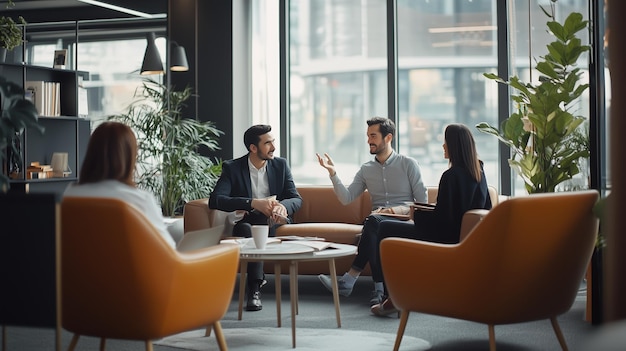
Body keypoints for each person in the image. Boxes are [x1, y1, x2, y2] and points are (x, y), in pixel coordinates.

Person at [370, 123, 493, 316]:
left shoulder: (450, 176)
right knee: (393, 228)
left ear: (453, 145)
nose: (443, 146)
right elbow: (480, 209)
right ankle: (395, 296)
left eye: (445, 142)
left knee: (384, 227)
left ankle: (391, 297)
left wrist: (416, 214)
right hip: (464, 238)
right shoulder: (478, 173)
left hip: (445, 237)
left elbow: (443, 221)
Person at [316, 117, 428, 306]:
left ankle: (351, 280)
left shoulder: (408, 164)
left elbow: (422, 203)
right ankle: (379, 291)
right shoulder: (366, 169)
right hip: (376, 223)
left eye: (373, 136)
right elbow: (346, 198)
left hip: (403, 221)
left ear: (388, 137)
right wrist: (333, 174)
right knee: (375, 225)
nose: (369, 140)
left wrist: (393, 210)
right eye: (368, 136)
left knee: (374, 223)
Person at [209, 124, 302, 312]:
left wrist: (283, 207)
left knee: (258, 227)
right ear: (253, 148)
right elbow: (216, 200)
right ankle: (255, 286)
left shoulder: (280, 165)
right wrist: (252, 203)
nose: (273, 147)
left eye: (273, 141)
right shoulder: (233, 168)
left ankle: (253, 290)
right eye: (268, 143)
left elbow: (296, 199)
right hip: (246, 221)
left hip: (274, 221)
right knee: (246, 229)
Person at [63, 121, 176, 249]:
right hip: (131, 269)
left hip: (79, 268)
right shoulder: (138, 200)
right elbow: (167, 249)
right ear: (130, 157)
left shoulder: (69, 195)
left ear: (91, 153)